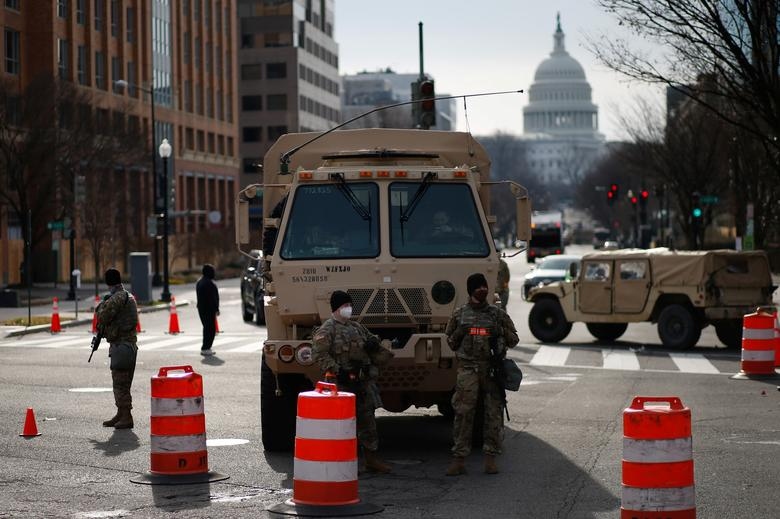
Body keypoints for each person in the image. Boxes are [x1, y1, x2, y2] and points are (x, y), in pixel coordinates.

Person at [444, 273, 519, 476]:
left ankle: (490, 459)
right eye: (478, 287)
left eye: (484, 287)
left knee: (493, 414)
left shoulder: (497, 314)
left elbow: (514, 340)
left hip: (491, 370)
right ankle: (459, 459)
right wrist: (462, 331)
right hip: (467, 369)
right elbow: (450, 341)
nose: (483, 290)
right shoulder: (460, 314)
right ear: (471, 291)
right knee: (463, 412)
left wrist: (500, 333)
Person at [312, 290, 394, 474]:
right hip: (341, 384)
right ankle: (341, 464)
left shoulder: (357, 327)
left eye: (349, 305)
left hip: (362, 383)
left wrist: (373, 344)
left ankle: (371, 460)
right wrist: (337, 370)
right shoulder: (327, 329)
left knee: (368, 420)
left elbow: (372, 341)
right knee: (342, 425)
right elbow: (318, 353)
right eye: (345, 306)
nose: (348, 309)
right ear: (336, 308)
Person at [96, 268, 139, 429]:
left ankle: (126, 416)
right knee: (123, 384)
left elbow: (102, 316)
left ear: (108, 282)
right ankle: (121, 414)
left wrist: (102, 304)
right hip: (129, 346)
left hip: (121, 346)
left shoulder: (116, 298)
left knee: (120, 384)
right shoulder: (128, 296)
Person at [196, 263, 220, 356]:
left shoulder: (199, 282)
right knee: (210, 329)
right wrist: (216, 309)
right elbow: (213, 298)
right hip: (209, 310)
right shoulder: (209, 283)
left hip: (202, 309)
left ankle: (206, 347)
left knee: (207, 328)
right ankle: (206, 347)